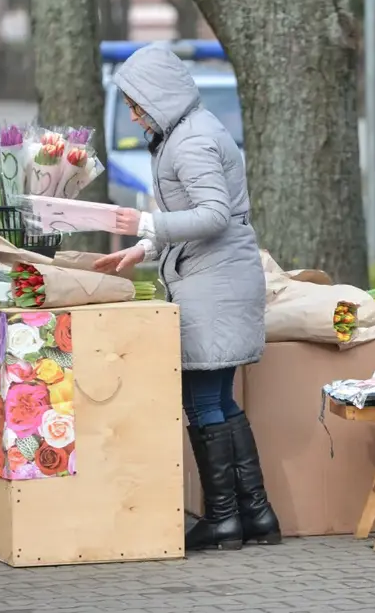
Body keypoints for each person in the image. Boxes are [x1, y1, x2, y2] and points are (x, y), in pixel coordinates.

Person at [92, 45, 281, 550]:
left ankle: (224, 518)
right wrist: (146, 247)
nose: (134, 114)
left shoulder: (192, 140)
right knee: (219, 399)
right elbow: (192, 214)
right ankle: (256, 514)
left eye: (137, 104)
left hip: (213, 283)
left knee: (201, 399)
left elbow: (214, 214)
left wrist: (145, 223)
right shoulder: (187, 131)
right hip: (213, 276)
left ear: (159, 96)